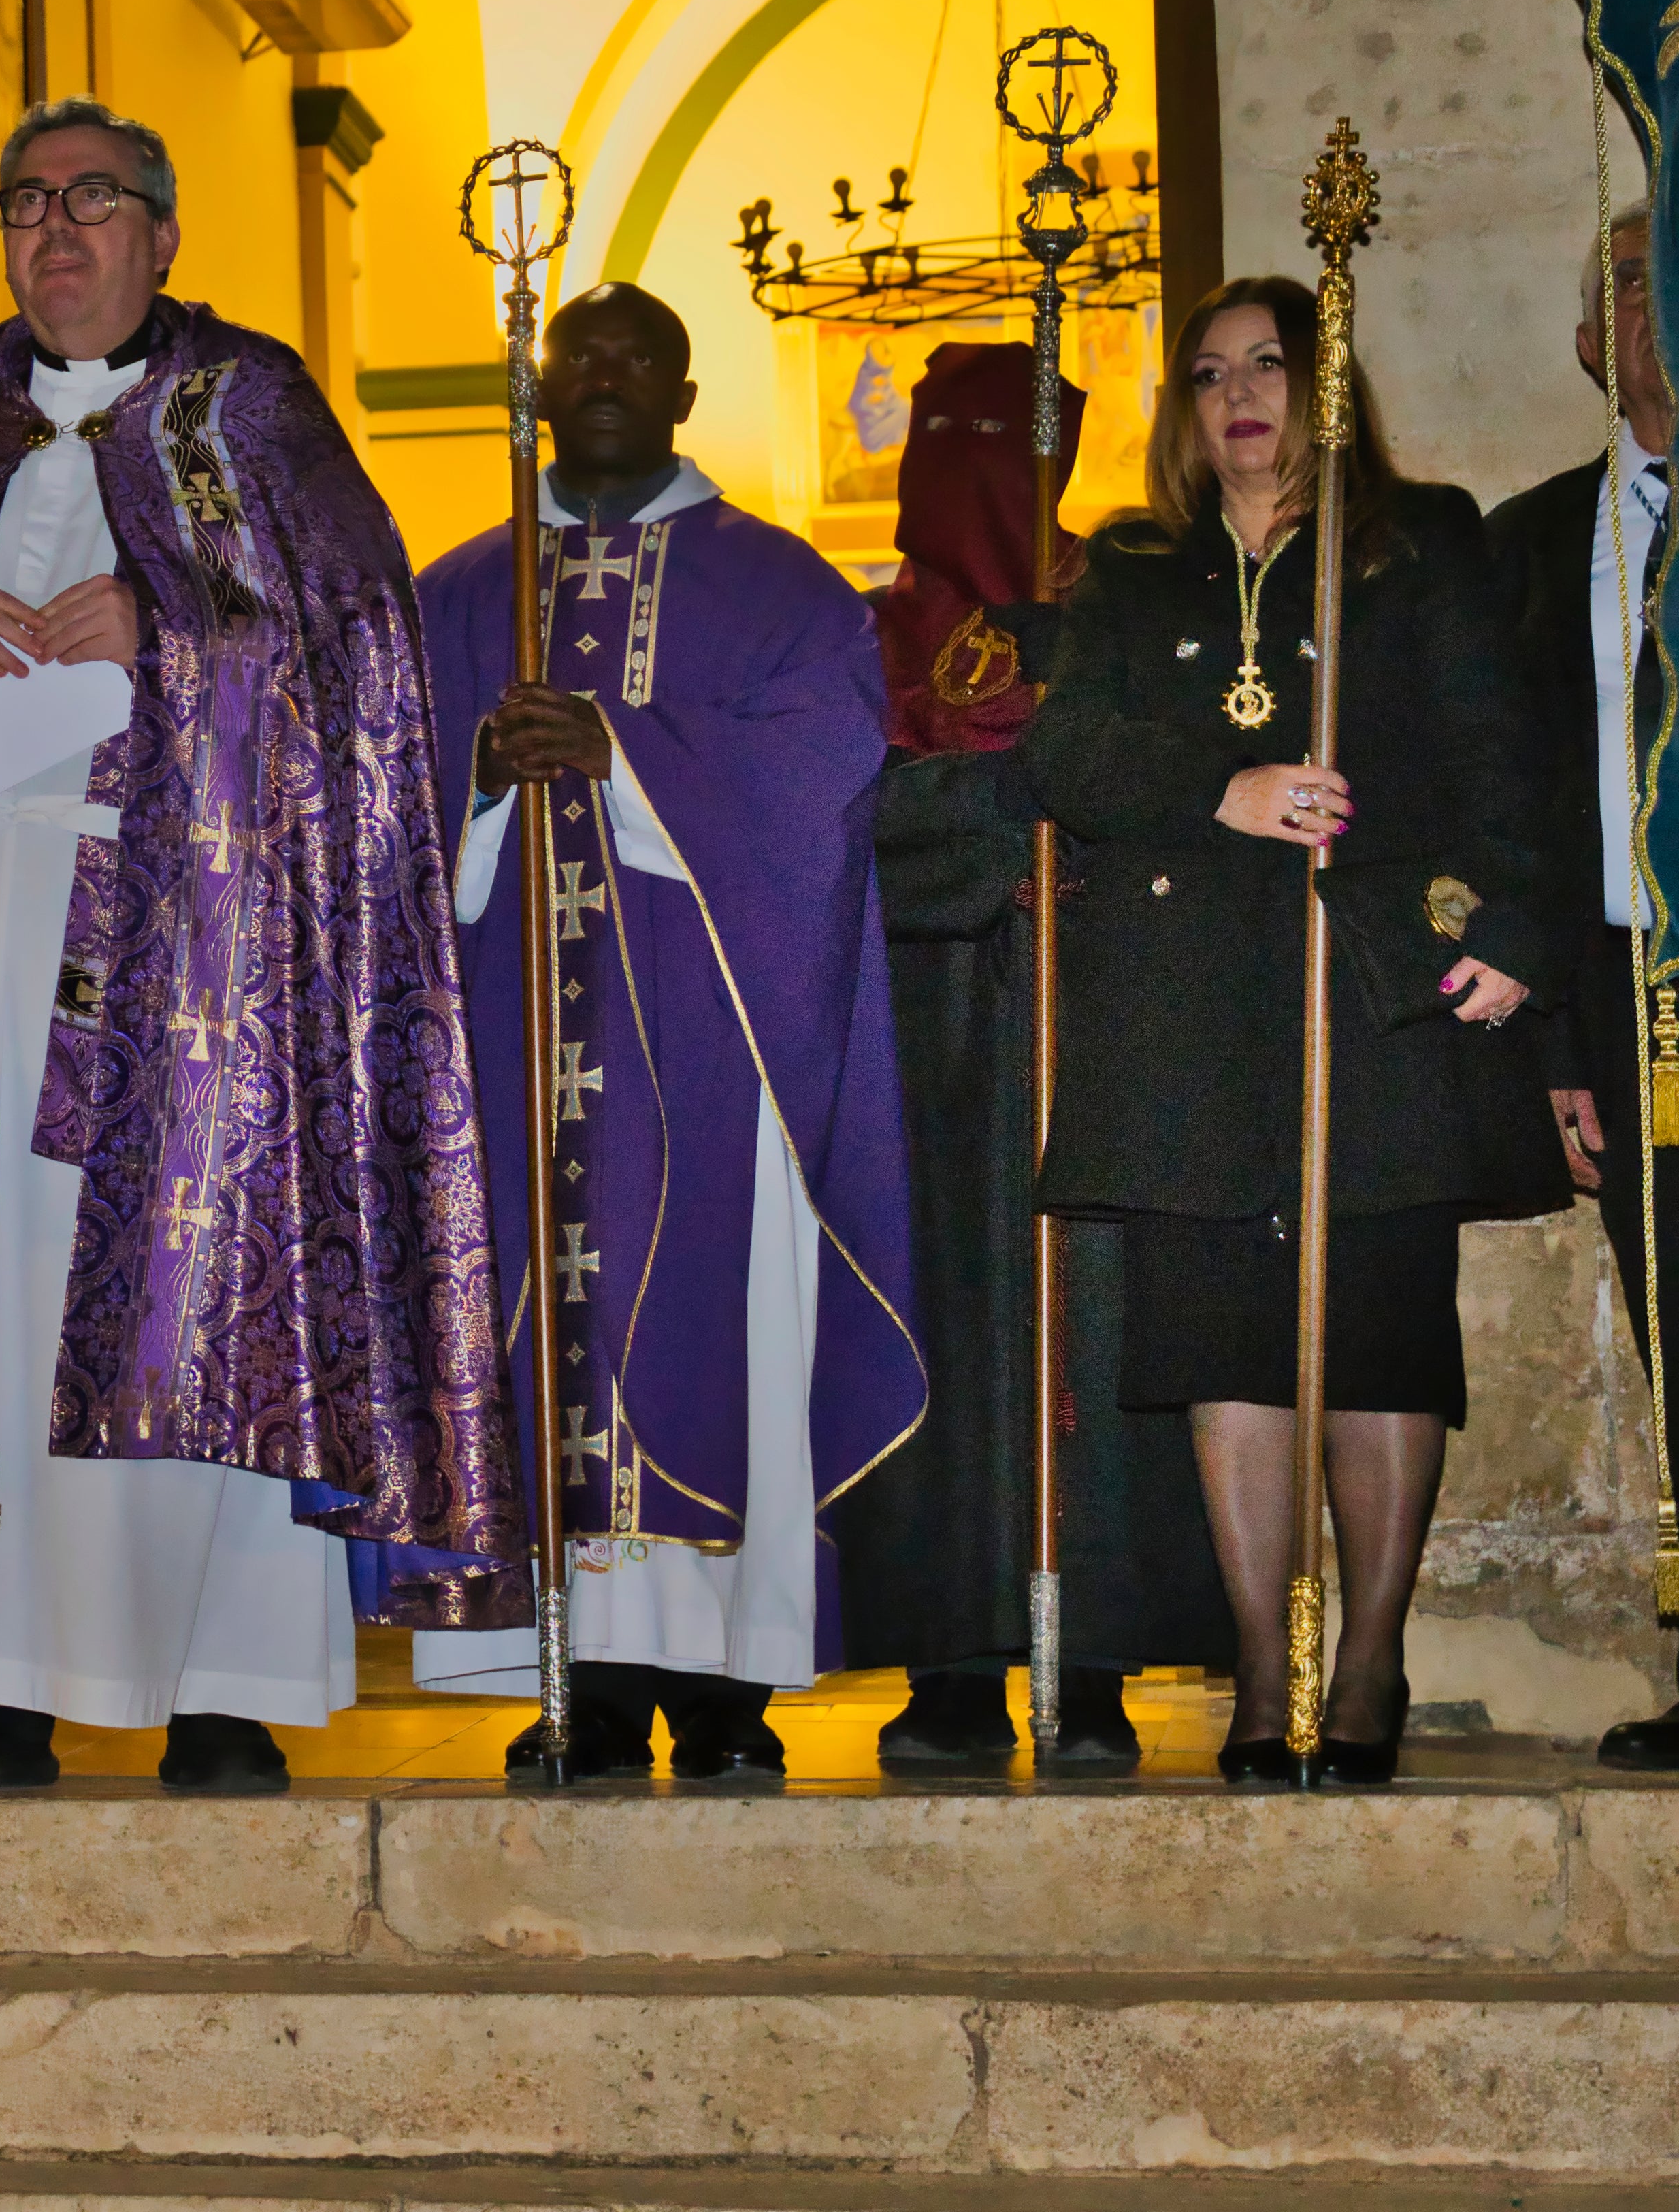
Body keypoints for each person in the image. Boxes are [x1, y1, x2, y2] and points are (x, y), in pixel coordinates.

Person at [0, 97, 520, 1799]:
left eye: (91, 202)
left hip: (190, 971)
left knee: (181, 1296)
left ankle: (215, 1685)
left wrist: (173, 625)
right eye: (24, 204)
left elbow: (360, 669)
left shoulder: (257, 408)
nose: (54, 232)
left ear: (160, 230)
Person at [1027, 276, 1564, 1785]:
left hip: (1372, 994)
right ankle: (1269, 1672)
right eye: (1209, 374)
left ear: (1325, 389)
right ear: (1185, 411)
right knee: (1229, 1349)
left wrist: (1512, 935)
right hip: (1195, 1006)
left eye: (1270, 364)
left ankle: (1374, 1655)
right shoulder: (1134, 573)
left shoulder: (1418, 543)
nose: (1240, 395)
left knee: (1383, 1333)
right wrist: (1224, 785)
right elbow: (1066, 748)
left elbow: (1500, 754)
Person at [414, 281, 924, 1779]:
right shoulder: (459, 595)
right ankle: (575, 1683)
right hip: (519, 1058)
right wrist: (484, 778)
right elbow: (379, 813)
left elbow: (829, 773)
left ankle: (722, 1697)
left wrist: (623, 751)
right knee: (531, 1336)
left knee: (712, 1333)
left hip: (713, 1051)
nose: (610, 376)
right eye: (582, 356)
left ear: (689, 395)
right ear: (541, 393)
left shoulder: (784, 591)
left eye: (643, 356)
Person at [841, 340, 1230, 1768]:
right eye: (937, 440)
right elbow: (841, 822)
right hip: (929, 1041)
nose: (962, 472)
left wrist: (1083, 806)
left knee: (1099, 1336)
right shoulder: (868, 638)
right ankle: (948, 1664)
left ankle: (1094, 1663)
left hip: (1102, 1017)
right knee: (944, 1339)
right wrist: (1006, 810)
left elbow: (1177, 779)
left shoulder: (1128, 607)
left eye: (995, 441)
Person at [1488, 206, 1679, 1771]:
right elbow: (1514, 819)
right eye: (1621, 279)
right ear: (1580, 340)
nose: (1648, 298)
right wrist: (1555, 1045)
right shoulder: (1534, 542)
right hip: (1625, 999)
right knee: (1670, 1326)